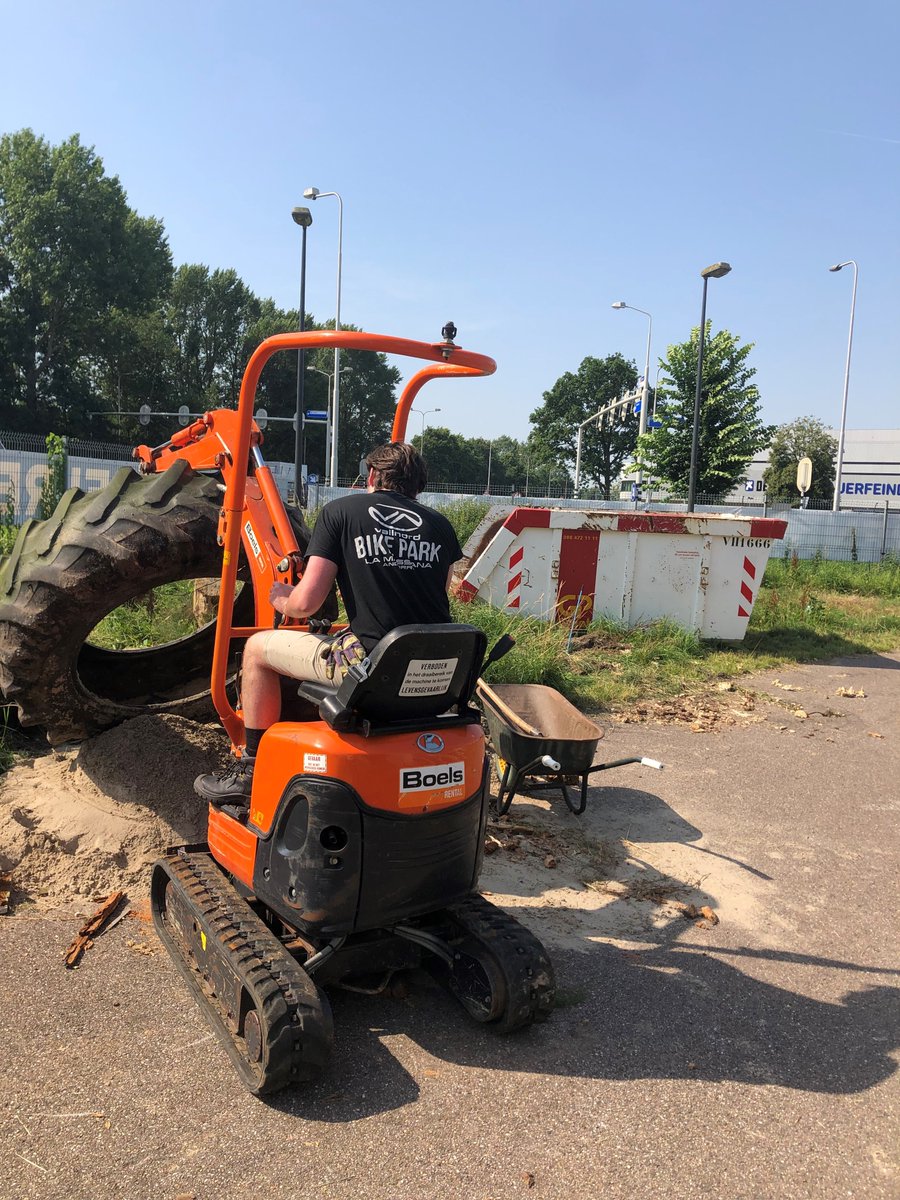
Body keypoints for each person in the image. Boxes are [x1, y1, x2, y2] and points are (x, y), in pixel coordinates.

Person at [195, 441, 463, 804]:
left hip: (372, 667)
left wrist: (280, 597)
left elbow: (307, 603)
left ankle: (251, 769)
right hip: (435, 671)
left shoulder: (341, 512)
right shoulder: (441, 526)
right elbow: (434, 595)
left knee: (257, 649)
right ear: (419, 485)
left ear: (372, 475)